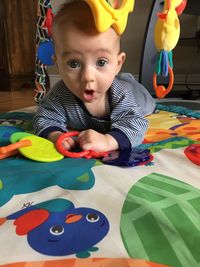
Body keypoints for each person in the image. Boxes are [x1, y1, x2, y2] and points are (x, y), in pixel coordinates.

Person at [33, 0, 155, 153]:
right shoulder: (60, 95)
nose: (87, 77)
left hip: (137, 94)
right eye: (74, 64)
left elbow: (136, 124)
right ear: (58, 64)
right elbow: (43, 117)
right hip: (115, 79)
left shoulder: (121, 95)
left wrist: (107, 141)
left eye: (101, 62)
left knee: (148, 103)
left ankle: (127, 78)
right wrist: (55, 135)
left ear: (118, 63)